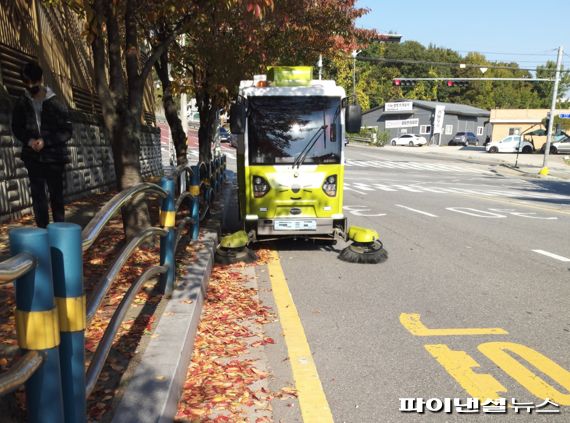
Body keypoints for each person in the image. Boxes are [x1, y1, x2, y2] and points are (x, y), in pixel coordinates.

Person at [11, 61, 72, 228]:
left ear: (40, 79)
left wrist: (47, 141)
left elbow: (67, 130)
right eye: (27, 83)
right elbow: (16, 127)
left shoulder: (56, 103)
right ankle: (43, 232)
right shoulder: (22, 103)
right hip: (33, 157)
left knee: (56, 196)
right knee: (38, 198)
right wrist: (30, 141)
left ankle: (60, 232)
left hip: (54, 157)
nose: (31, 86)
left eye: (33, 82)